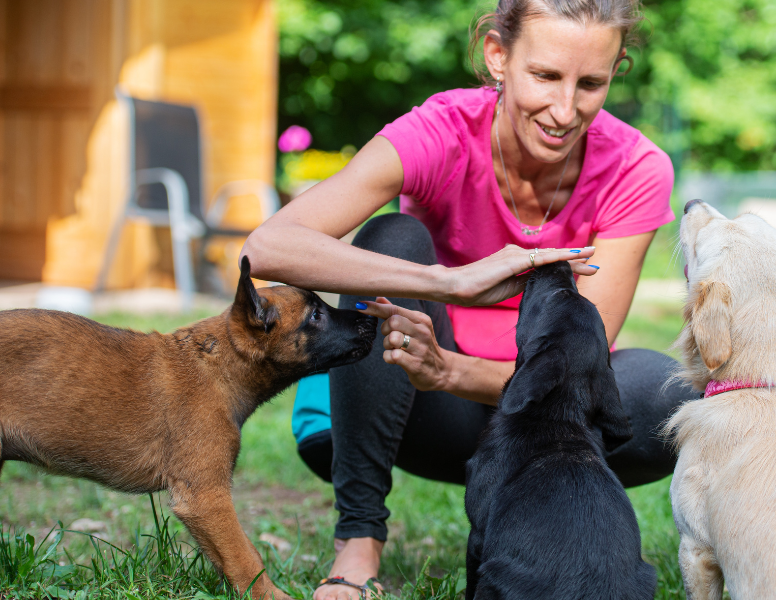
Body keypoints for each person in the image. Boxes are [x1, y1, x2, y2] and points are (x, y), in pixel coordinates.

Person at [242, 0, 696, 597]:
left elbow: (578, 365)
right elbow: (267, 247)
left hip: (539, 422)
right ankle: (357, 544)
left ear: (617, 70)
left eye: (591, 84)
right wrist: (449, 282)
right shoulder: (441, 132)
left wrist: (450, 370)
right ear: (498, 56)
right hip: (413, 412)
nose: (565, 110)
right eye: (545, 76)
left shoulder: (636, 166)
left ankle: (533, 528)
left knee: (675, 395)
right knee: (392, 239)